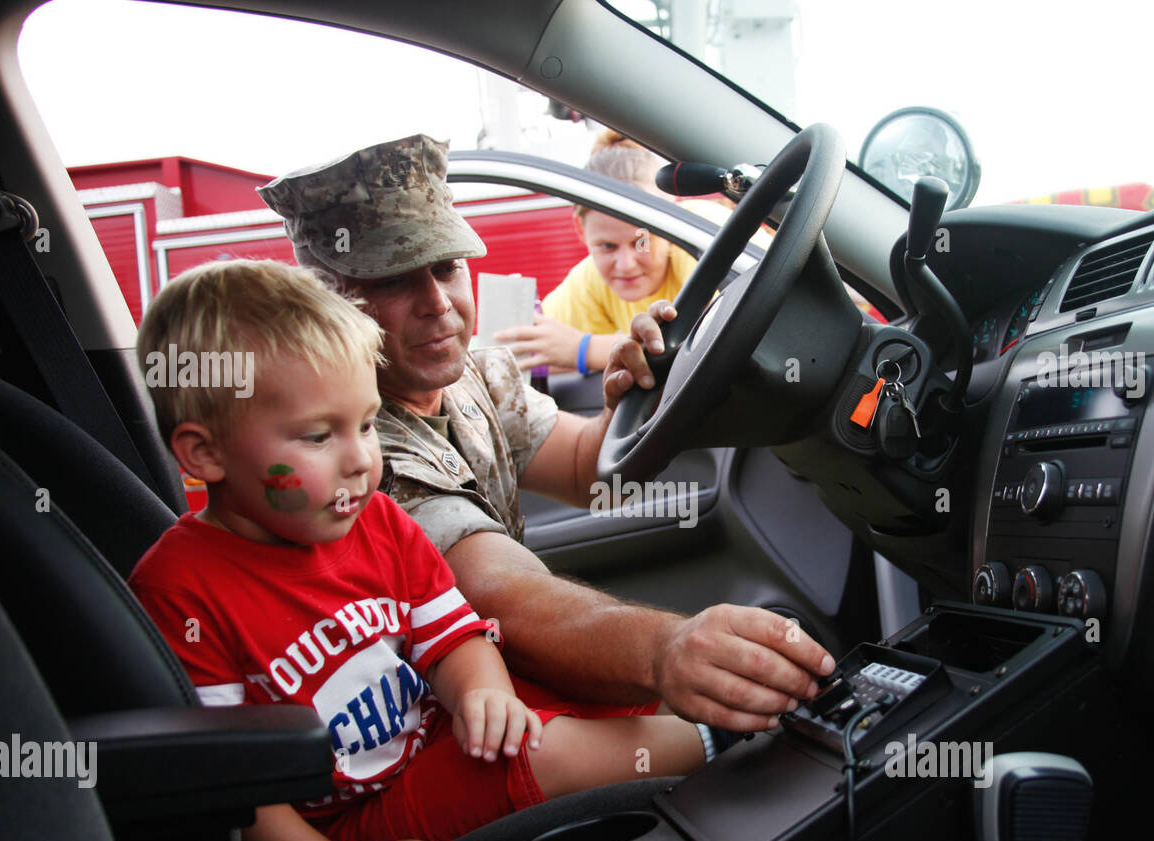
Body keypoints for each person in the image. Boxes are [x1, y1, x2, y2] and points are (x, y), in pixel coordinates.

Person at [128, 260, 709, 841]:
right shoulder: (180, 588)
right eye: (320, 436)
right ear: (205, 453)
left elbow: (453, 635)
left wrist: (482, 693)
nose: (360, 460)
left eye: (367, 424)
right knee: (541, 752)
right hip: (350, 817)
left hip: (429, 733)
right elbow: (231, 782)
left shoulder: (376, 521)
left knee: (590, 692)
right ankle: (726, 747)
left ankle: (713, 735)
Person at [258, 134, 835, 738]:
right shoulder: (360, 449)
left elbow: (588, 470)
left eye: (446, 268)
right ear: (334, 304)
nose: (438, 304)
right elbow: (501, 598)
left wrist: (632, 391)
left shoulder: (476, 375)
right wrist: (667, 648)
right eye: (394, 282)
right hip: (446, 725)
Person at [493, 131, 711, 374]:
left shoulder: (699, 234)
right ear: (580, 230)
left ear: (671, 219)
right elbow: (523, 352)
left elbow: (709, 340)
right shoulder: (590, 280)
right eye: (607, 246)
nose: (626, 264)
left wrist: (583, 349)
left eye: (641, 241)